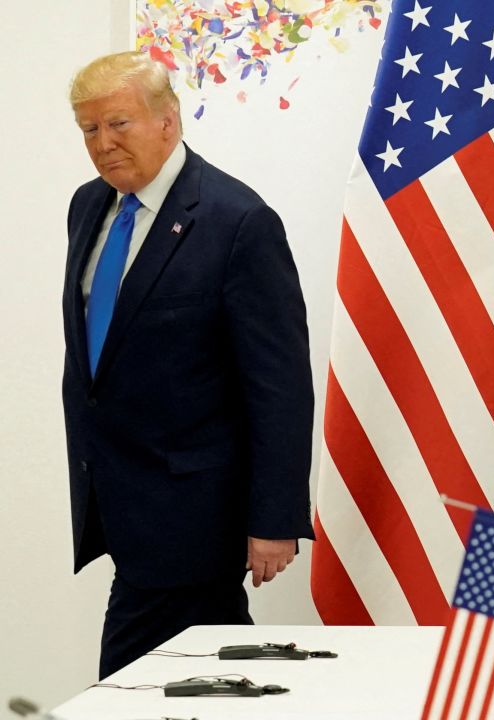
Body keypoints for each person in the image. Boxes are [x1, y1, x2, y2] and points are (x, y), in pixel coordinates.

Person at [62, 52, 315, 678]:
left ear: (168, 120)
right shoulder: (88, 207)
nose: (103, 143)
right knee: (198, 681)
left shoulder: (238, 221)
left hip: (196, 509)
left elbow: (280, 386)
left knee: (129, 689)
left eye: (119, 123)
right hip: (121, 500)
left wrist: (274, 519)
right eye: (90, 129)